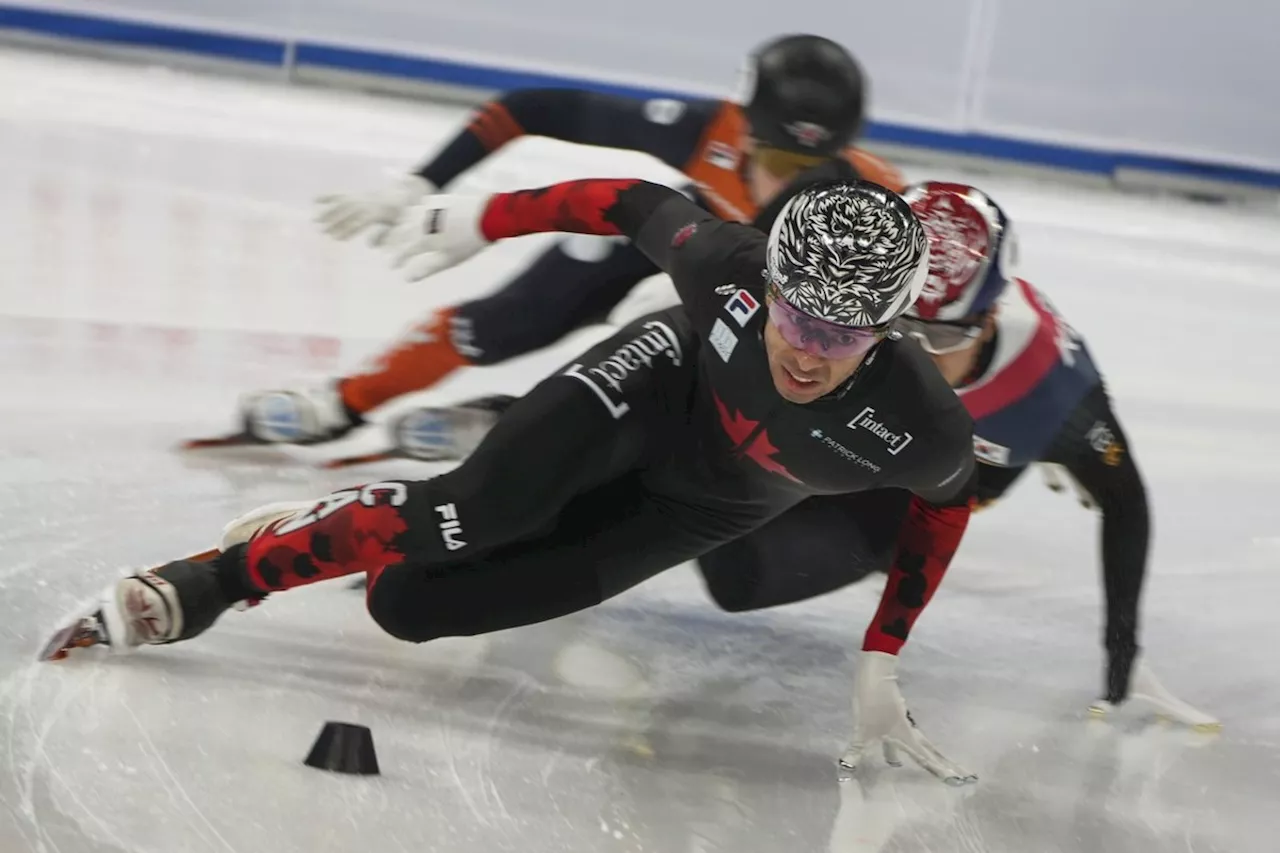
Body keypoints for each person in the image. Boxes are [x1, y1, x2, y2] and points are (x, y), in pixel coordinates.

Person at [52, 176, 983, 784]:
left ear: (895, 327)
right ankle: (215, 580)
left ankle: (349, 525)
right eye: (797, 318)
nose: (810, 354)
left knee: (411, 605)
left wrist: (880, 654)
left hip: (705, 505)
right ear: (769, 283)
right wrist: (470, 220)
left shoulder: (923, 429)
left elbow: (947, 512)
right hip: (660, 381)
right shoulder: (728, 272)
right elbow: (629, 200)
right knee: (472, 510)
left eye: (845, 334)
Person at [388, 182, 1220, 731]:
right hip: (775, 420)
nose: (906, 354)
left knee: (739, 574)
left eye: (932, 338)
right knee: (676, 400)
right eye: (895, 327)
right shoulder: (861, 283)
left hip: (869, 493)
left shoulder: (1052, 389)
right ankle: (520, 451)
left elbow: (1127, 498)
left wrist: (1123, 650)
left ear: (991, 319)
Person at [186, 33, 906, 450]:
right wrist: (420, 182)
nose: (780, 182)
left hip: (760, 305)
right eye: (776, 159)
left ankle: (535, 427)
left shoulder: (874, 206)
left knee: (659, 337)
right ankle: (348, 399)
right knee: (516, 309)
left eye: (805, 173)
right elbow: (531, 107)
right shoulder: (706, 133)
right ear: (742, 124)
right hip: (687, 230)